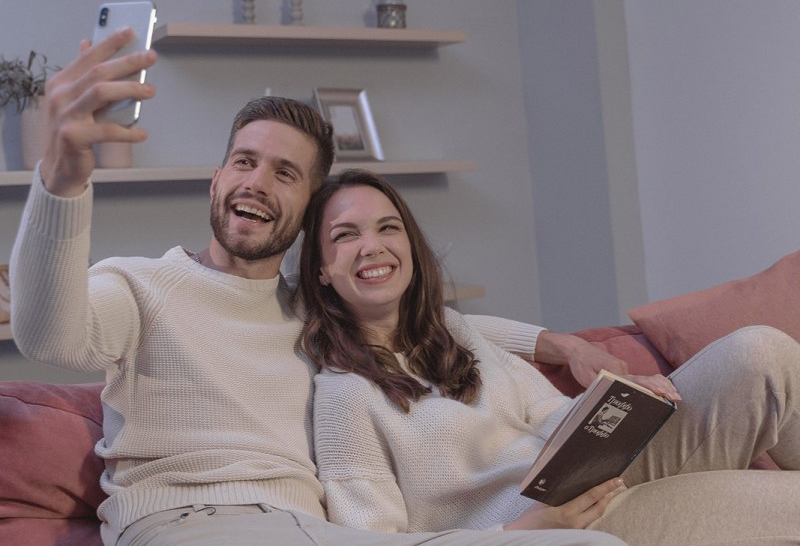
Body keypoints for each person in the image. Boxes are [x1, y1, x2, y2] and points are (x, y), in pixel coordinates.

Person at [9, 27, 629, 546]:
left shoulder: (316, 312)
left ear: (308, 212)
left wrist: (561, 345)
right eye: (245, 162)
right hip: (184, 521)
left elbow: (432, 325)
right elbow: (50, 336)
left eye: (285, 174)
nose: (256, 182)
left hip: (307, 529)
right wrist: (62, 181)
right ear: (217, 179)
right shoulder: (140, 286)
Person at [299, 169, 800, 545]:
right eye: (346, 235)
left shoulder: (456, 332)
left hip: (599, 471)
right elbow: (372, 541)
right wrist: (518, 531)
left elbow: (551, 414)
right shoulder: (345, 395)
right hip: (561, 527)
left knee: (761, 349)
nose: (373, 246)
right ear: (320, 270)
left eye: (388, 228)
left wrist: (620, 406)